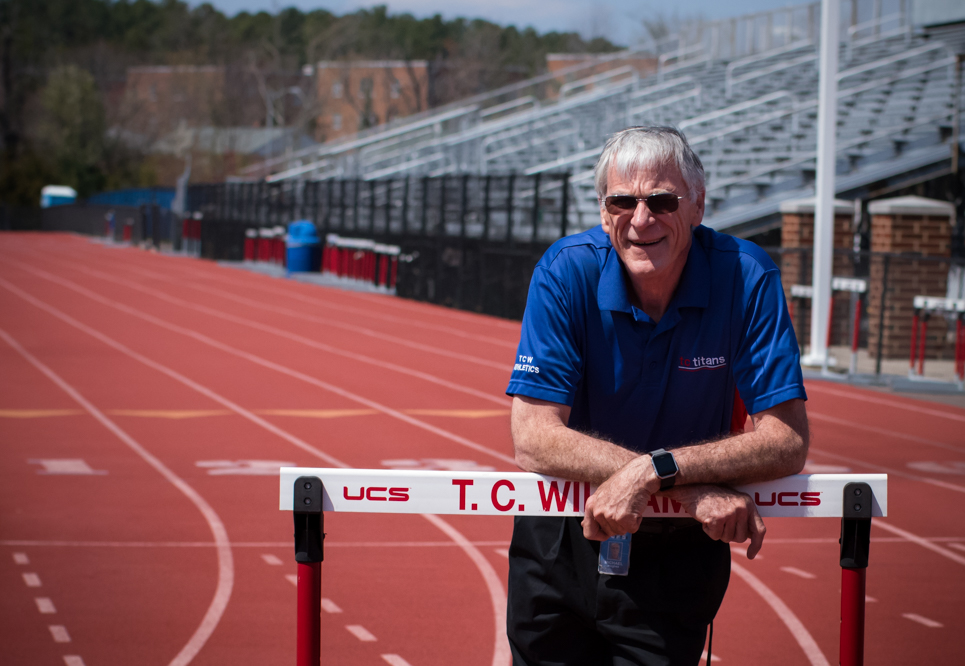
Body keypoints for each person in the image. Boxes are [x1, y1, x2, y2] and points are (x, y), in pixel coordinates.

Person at [505, 126, 809, 666]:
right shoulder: (564, 270)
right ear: (603, 212)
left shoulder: (747, 276)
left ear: (697, 205)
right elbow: (532, 437)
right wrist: (684, 488)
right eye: (622, 201)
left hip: (678, 554)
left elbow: (787, 440)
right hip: (562, 538)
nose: (641, 219)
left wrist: (652, 476)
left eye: (662, 200)